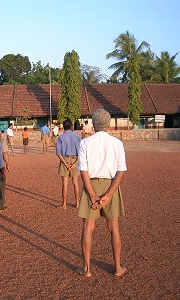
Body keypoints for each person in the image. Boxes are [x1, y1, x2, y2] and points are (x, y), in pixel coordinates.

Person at [77, 109, 127, 278]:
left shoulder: (85, 143)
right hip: (111, 186)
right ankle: (118, 268)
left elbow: (83, 171)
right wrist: (108, 195)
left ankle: (87, 269)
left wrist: (92, 195)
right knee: (113, 228)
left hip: (90, 184)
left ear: (93, 123)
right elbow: (120, 171)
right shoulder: (117, 143)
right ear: (109, 123)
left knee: (88, 228)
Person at [55, 119, 81, 209]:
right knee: (75, 183)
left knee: (65, 184)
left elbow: (58, 153)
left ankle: (64, 204)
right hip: (75, 159)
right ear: (71, 126)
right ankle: (77, 203)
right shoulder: (77, 137)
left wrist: (65, 164)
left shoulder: (61, 138)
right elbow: (81, 153)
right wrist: (75, 164)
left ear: (63, 127)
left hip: (64, 160)